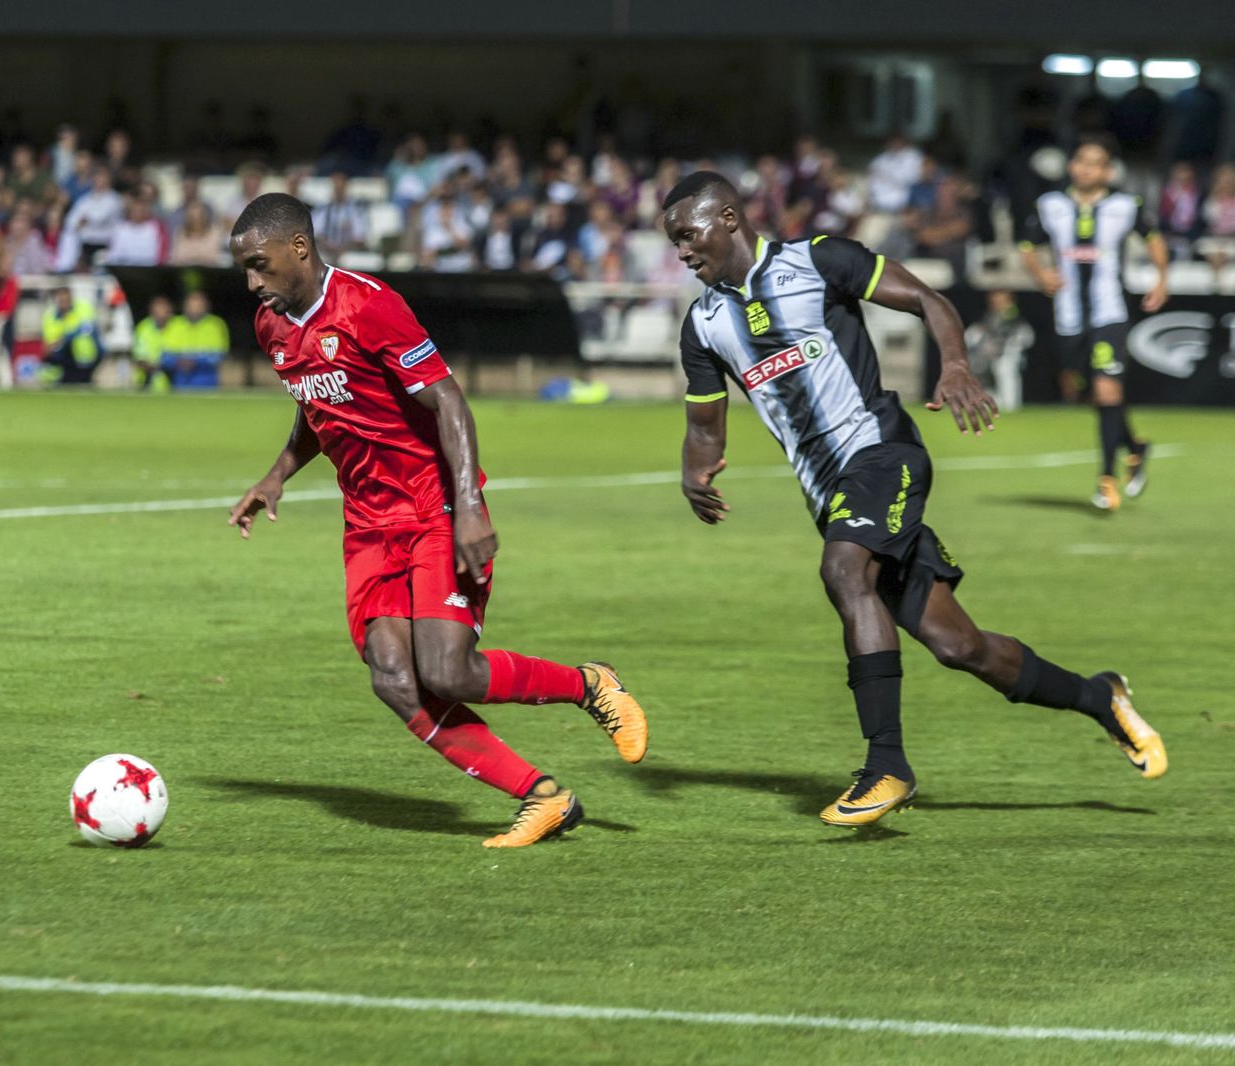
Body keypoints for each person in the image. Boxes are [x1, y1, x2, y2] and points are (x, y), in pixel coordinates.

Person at [660, 170, 1165, 828]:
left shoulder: (819, 260)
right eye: (673, 241)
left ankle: (887, 766)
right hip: (831, 495)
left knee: (844, 570)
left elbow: (929, 300)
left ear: (728, 218)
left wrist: (955, 362)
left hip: (883, 454)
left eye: (688, 234)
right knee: (961, 647)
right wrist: (694, 473)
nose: (682, 250)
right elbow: (705, 426)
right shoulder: (703, 324)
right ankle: (1100, 697)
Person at [226, 193, 648, 848]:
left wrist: (470, 508)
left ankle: (589, 684)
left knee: (447, 670)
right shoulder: (272, 326)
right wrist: (277, 474)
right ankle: (543, 797)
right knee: (393, 677)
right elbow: (322, 404)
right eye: (245, 270)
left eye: (259, 265)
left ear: (299, 250)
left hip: (433, 505)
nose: (253, 283)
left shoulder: (369, 306)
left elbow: (449, 400)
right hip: (367, 523)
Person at [1018, 134, 1168, 511]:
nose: (1087, 169)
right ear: (1072, 166)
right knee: (1087, 394)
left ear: (1107, 170)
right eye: (1081, 161)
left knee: (1107, 392)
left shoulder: (1125, 205)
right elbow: (1026, 245)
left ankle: (1106, 479)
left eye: (1095, 162)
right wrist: (1040, 274)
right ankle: (1135, 447)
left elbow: (1154, 239)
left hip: (1109, 313)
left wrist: (1161, 278)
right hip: (1068, 316)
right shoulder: (1050, 205)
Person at [40, 285, 100, 385]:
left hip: (85, 356)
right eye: (60, 298)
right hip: (64, 358)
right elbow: (49, 343)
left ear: (71, 298)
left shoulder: (83, 308)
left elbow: (87, 329)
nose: (63, 301)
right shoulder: (50, 315)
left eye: (66, 298)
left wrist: (65, 337)